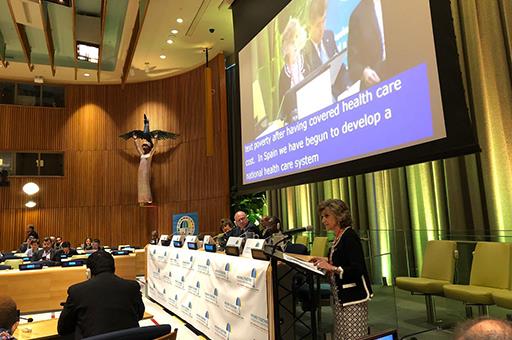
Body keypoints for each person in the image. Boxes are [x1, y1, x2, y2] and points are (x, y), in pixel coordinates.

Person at [312, 199, 372, 339]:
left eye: (326, 216)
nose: (323, 220)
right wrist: (325, 261)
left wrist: (331, 267)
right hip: (340, 299)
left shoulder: (349, 236)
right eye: (322, 217)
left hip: (353, 299)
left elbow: (357, 269)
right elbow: (341, 261)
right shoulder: (338, 236)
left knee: (353, 337)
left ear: (339, 216)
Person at [58, 250, 145, 338]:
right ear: (114, 268)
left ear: (88, 272)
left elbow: (63, 329)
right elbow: (140, 315)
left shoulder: (77, 291)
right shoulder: (132, 287)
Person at [347, 0, 387, 89]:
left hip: (405, 67)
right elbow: (353, 64)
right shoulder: (357, 16)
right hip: (379, 82)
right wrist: (364, 72)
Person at [278, 17, 308, 123]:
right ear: (285, 47)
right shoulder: (283, 75)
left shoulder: (307, 60)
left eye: (296, 38)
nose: (294, 45)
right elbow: (283, 109)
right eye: (291, 42)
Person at [303, 0, 338, 72]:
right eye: (318, 24)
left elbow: (341, 68)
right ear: (309, 27)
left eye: (324, 20)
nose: (322, 28)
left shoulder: (329, 35)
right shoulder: (304, 54)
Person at [133, 135, 158, 206]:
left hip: (146, 172)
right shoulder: (142, 154)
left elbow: (155, 147)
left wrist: (156, 139)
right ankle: (141, 200)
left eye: (145, 146)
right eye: (143, 146)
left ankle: (148, 199)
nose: (144, 147)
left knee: (146, 185)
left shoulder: (150, 155)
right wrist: (135, 139)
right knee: (140, 185)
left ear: (149, 147)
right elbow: (137, 147)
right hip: (140, 172)